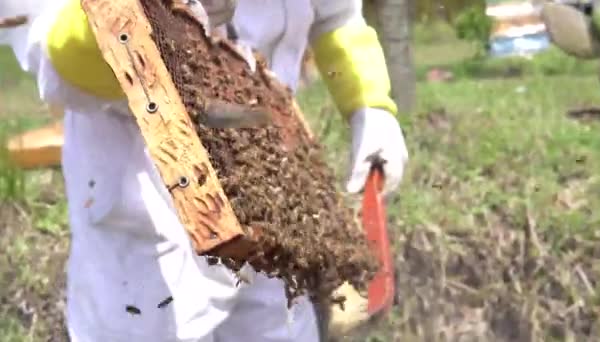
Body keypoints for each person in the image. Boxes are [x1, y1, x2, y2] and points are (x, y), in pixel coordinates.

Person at [0, 0, 408, 341]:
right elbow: (51, 60)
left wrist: (369, 103)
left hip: (274, 204)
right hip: (148, 220)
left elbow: (336, 16)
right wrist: (133, 13)